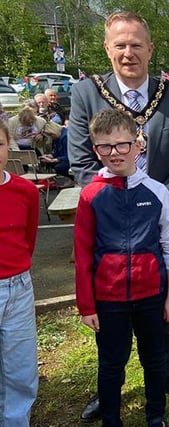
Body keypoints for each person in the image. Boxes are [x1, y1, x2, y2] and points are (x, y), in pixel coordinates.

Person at [68, 10, 169, 420]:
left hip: (158, 219)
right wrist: (118, 196)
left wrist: (155, 197)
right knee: (111, 317)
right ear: (108, 49)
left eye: (136, 44)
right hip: (107, 225)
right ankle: (110, 384)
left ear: (150, 48)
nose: (129, 53)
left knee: (160, 304)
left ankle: (166, 374)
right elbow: (79, 160)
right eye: (120, 44)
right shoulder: (86, 94)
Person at [75, 108, 169, 427]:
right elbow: (82, 254)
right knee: (111, 363)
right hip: (108, 301)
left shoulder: (158, 193)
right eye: (105, 147)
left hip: (151, 295)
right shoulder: (90, 195)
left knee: (154, 360)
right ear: (96, 150)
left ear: (138, 145)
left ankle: (155, 417)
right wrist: (86, 305)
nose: (115, 153)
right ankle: (111, 419)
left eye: (122, 144)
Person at [0, 119, 40, 426]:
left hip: (18, 287)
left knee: (20, 365)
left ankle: (16, 421)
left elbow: (28, 238)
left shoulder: (25, 191)